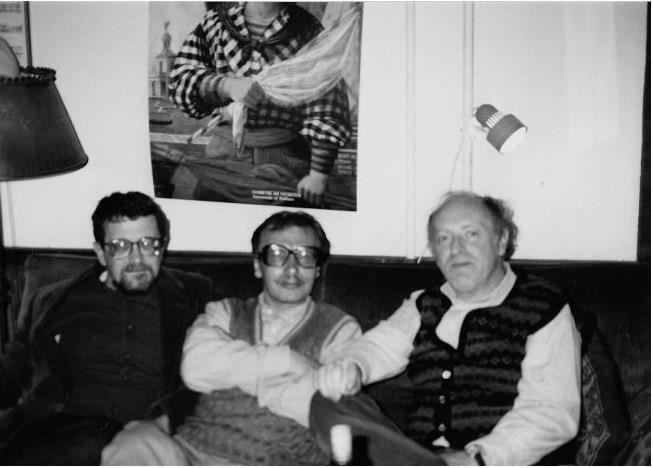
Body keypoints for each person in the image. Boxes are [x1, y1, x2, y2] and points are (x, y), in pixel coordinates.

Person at [103, 210, 444, 465]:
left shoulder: (341, 329)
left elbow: (328, 398)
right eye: (277, 254)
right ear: (257, 266)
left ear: (318, 268)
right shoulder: (223, 311)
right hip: (190, 453)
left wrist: (238, 371)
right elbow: (196, 369)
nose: (292, 269)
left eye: (305, 256)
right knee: (134, 441)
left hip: (278, 459)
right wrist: (291, 362)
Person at [310, 190, 582, 466]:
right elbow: (378, 347)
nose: (456, 249)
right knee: (329, 402)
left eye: (470, 234)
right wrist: (351, 366)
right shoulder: (424, 304)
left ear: (501, 241)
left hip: (493, 460)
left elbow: (551, 411)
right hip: (419, 455)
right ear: (435, 253)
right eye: (443, 238)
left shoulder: (543, 305)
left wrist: (479, 458)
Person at [0, 191, 212, 465]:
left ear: (163, 246)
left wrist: (166, 420)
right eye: (120, 246)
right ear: (101, 252)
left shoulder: (193, 296)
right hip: (54, 437)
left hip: (141, 441)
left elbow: (216, 377)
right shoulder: (52, 300)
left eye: (148, 244)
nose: (137, 259)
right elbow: (14, 366)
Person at [169, 2, 352, 206]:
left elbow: (328, 100)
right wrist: (225, 85)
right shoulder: (215, 23)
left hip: (286, 159)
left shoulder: (307, 29)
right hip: (223, 155)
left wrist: (318, 175)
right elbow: (180, 78)